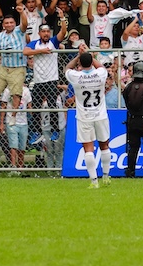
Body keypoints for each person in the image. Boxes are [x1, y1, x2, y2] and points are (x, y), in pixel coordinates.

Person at [65, 46, 111, 189]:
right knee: (104, 145)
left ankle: (94, 181)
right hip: (100, 115)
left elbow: (67, 68)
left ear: (80, 63)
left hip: (84, 116)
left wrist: (78, 56)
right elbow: (101, 66)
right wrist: (89, 54)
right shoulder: (100, 74)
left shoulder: (76, 77)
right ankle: (106, 176)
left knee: (88, 148)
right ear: (92, 61)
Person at [23, 16, 68, 144]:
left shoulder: (53, 42)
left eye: (48, 31)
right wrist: (41, 51)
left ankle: (55, 130)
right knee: (36, 106)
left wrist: (62, 18)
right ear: (39, 33)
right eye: (43, 31)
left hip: (52, 79)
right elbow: (25, 51)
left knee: (52, 105)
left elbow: (63, 32)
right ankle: (36, 132)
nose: (46, 33)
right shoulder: (35, 43)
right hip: (39, 80)